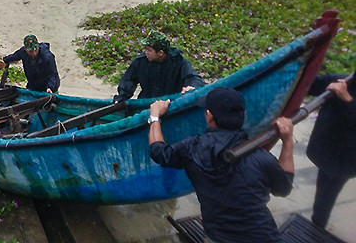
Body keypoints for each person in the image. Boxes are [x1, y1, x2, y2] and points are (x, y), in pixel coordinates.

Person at [149, 87, 295, 243]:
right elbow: (284, 188)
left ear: (209, 116)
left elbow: (159, 152)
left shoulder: (192, 149)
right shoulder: (261, 158)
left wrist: (155, 117)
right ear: (244, 116)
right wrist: (287, 141)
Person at [307, 71, 356, 229]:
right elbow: (310, 85)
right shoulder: (342, 80)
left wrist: (347, 99)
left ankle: (317, 226)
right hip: (326, 149)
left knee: (326, 194)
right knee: (325, 191)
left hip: (345, 159)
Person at [114, 30, 204, 103]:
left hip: (170, 103)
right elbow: (129, 80)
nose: (146, 53)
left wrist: (192, 87)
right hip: (146, 103)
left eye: (149, 50)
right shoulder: (141, 61)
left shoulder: (179, 61)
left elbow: (193, 77)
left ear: (160, 52)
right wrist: (122, 97)